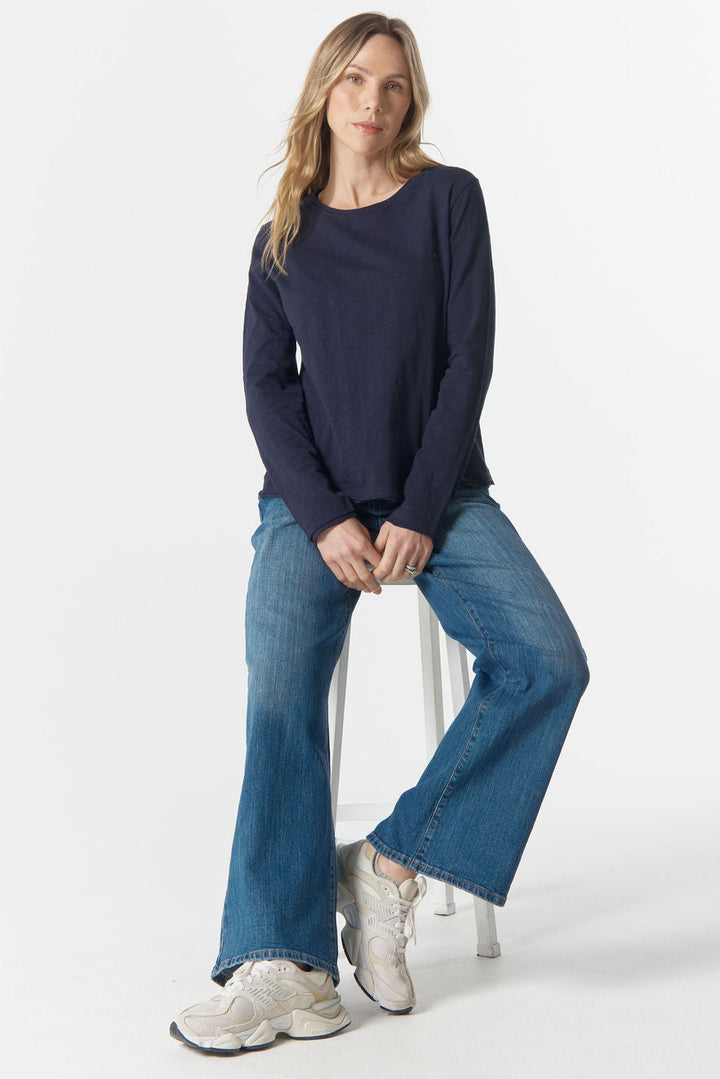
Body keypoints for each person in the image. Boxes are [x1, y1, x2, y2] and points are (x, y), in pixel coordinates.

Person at [169, 11, 590, 1056]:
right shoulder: (284, 233)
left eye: (393, 86)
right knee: (278, 692)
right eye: (355, 81)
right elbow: (268, 391)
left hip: (436, 499)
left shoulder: (450, 201)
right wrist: (322, 518)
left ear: (413, 101)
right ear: (324, 92)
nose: (372, 101)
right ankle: (286, 966)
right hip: (309, 508)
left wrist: (412, 508)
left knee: (548, 660)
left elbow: (467, 365)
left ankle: (390, 862)